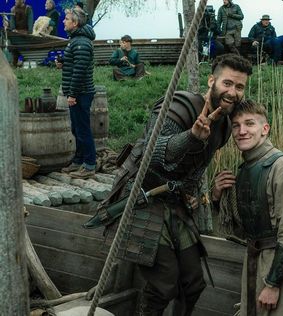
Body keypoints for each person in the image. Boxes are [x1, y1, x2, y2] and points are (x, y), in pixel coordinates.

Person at [99, 54, 252, 316]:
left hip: (174, 204)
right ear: (211, 80)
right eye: (227, 83)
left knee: (193, 283)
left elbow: (197, 166)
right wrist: (191, 137)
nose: (233, 92)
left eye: (239, 87)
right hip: (140, 197)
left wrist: (191, 193)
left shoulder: (224, 127)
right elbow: (153, 152)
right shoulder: (178, 106)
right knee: (164, 283)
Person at [212, 100, 283, 316]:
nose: (242, 131)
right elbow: (238, 232)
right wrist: (218, 197)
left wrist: (273, 284)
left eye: (249, 124)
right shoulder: (246, 169)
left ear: (265, 129)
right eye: (236, 126)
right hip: (254, 261)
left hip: (280, 266)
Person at [56, 7, 96, 179]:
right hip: (78, 92)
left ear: (75, 23)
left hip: (81, 92)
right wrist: (64, 61)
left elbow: (79, 71)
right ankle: (78, 161)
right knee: (76, 128)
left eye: (66, 19)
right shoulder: (76, 40)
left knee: (83, 129)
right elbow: (76, 62)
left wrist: (72, 94)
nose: (63, 21)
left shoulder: (81, 42)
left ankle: (89, 165)